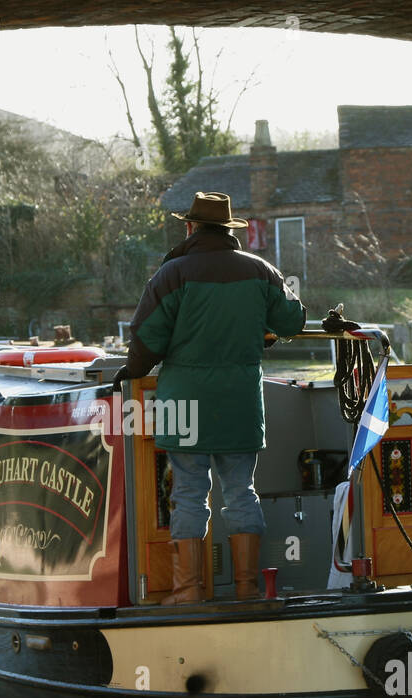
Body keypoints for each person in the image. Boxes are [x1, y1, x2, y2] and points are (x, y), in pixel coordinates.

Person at [114, 192, 306, 604]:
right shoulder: (262, 271)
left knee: (187, 493)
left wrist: (130, 374)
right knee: (241, 491)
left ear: (190, 228)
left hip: (183, 402)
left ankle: (187, 592)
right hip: (239, 401)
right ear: (229, 230)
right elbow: (292, 320)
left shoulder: (172, 275)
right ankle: (247, 589)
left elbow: (147, 340)